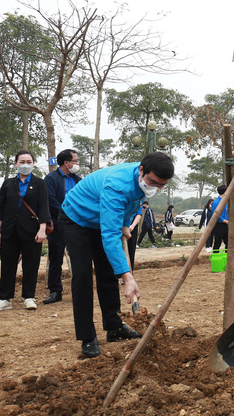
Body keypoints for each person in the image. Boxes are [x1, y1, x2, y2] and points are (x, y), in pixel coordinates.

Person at [58, 151, 174, 358]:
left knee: (108, 272)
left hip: (102, 219)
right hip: (76, 218)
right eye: (153, 182)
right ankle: (87, 337)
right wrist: (128, 277)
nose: (156, 188)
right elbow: (109, 236)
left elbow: (127, 207)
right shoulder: (117, 185)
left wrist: (122, 224)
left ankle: (114, 327)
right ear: (141, 171)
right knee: (83, 275)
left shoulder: (144, 178)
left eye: (161, 185)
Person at [0, 150, 51, 312]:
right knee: (7, 264)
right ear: (16, 164)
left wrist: (42, 229)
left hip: (32, 231)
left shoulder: (40, 184)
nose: (25, 165)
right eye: (22, 161)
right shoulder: (8, 184)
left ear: (33, 164)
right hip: (9, 231)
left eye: (29, 162)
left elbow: (44, 208)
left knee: (31, 264)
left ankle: (29, 297)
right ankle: (5, 299)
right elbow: (0, 208)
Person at [42, 149, 82, 304]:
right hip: (58, 223)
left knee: (79, 258)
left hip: (77, 224)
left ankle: (79, 291)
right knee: (56, 258)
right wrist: (66, 214)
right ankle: (55, 291)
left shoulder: (78, 179)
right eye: (75, 160)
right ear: (66, 163)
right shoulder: (51, 179)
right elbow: (50, 200)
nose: (77, 164)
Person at [211, 185, 229, 251]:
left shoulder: (226, 202)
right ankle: (215, 257)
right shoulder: (216, 202)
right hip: (219, 225)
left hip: (226, 225)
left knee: (228, 242)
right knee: (217, 242)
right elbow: (216, 215)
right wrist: (225, 221)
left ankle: (227, 256)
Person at [126, 206, 143, 271]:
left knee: (130, 250)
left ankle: (129, 272)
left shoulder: (137, 198)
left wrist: (132, 226)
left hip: (132, 225)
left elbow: (139, 213)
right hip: (118, 223)